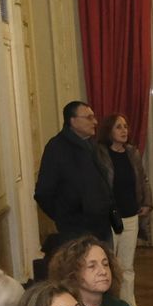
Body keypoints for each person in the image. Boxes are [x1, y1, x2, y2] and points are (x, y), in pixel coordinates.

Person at [34, 100, 115, 246]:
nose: (95, 122)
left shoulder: (92, 144)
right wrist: (64, 216)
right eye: (89, 118)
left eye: (94, 117)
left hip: (102, 227)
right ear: (73, 121)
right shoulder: (56, 148)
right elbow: (43, 192)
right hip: (75, 230)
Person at [99, 113, 153, 306]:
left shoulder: (132, 152)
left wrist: (146, 202)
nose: (124, 131)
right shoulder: (101, 154)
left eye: (125, 126)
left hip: (131, 215)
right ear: (109, 131)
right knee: (109, 265)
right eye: (118, 127)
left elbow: (143, 179)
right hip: (110, 217)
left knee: (127, 267)